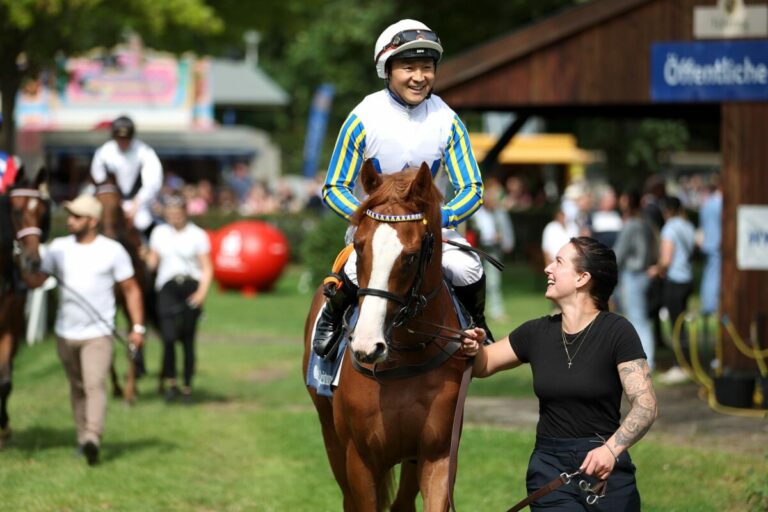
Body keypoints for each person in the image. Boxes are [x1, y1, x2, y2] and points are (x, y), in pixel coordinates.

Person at [315, 18, 489, 357]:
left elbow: (473, 188)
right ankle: (331, 319)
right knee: (350, 271)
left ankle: (477, 326)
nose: (419, 77)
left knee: (469, 267)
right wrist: (369, 219)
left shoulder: (448, 120)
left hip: (430, 228)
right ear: (387, 69)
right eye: (409, 67)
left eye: (427, 67)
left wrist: (440, 216)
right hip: (375, 232)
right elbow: (333, 187)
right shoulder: (362, 117)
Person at [461, 237, 658, 510]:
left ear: (582, 278)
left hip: (606, 467)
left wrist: (611, 450)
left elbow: (646, 405)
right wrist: (474, 345)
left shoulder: (617, 331)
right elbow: (483, 364)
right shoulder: (535, 332)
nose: (547, 268)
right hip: (549, 467)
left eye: (559, 262)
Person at [25, 194, 145, 465]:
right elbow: (38, 280)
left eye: (76, 217)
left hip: (98, 334)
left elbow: (131, 289)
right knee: (77, 387)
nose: (70, 221)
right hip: (65, 332)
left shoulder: (112, 250)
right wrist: (26, 264)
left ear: (93, 221)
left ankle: (93, 437)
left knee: (94, 384)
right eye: (69, 216)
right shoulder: (58, 248)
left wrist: (137, 327)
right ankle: (82, 438)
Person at [145, 194, 212, 403]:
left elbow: (207, 267)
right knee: (168, 337)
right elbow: (152, 263)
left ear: (185, 212)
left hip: (190, 286)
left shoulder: (197, 235)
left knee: (188, 339)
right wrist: (142, 257)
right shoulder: (159, 233)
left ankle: (187, 386)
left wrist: (201, 294)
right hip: (167, 287)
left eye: (178, 212)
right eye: (170, 213)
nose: (174, 216)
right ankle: (171, 382)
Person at [90, 115, 163, 236]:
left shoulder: (145, 152)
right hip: (110, 201)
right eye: (119, 138)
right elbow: (99, 179)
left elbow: (152, 183)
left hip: (138, 202)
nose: (123, 142)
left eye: (126, 139)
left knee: (142, 221)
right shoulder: (103, 152)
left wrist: (137, 204)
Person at [651, 196, 696, 384]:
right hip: (687, 278)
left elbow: (667, 259)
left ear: (666, 210)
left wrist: (656, 269)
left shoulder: (669, 228)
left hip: (675, 280)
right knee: (682, 323)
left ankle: (680, 365)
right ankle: (686, 363)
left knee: (676, 326)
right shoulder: (688, 226)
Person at [614, 189, 658, 370]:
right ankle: (646, 358)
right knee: (641, 318)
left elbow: (619, 253)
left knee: (636, 319)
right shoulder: (647, 223)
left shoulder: (632, 225)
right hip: (644, 274)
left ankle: (645, 360)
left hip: (633, 274)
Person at [470, 177, 514, 320]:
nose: (493, 201)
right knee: (473, 281)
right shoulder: (474, 212)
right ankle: (472, 312)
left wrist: (504, 241)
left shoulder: (498, 213)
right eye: (491, 197)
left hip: (492, 250)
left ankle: (496, 311)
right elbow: (471, 232)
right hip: (476, 250)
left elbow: (506, 229)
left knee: (493, 282)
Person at [697, 174, 722, 318]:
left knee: (708, 274)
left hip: (707, 243)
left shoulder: (707, 204)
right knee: (714, 276)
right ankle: (710, 306)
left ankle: (707, 303)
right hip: (717, 244)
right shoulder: (721, 203)